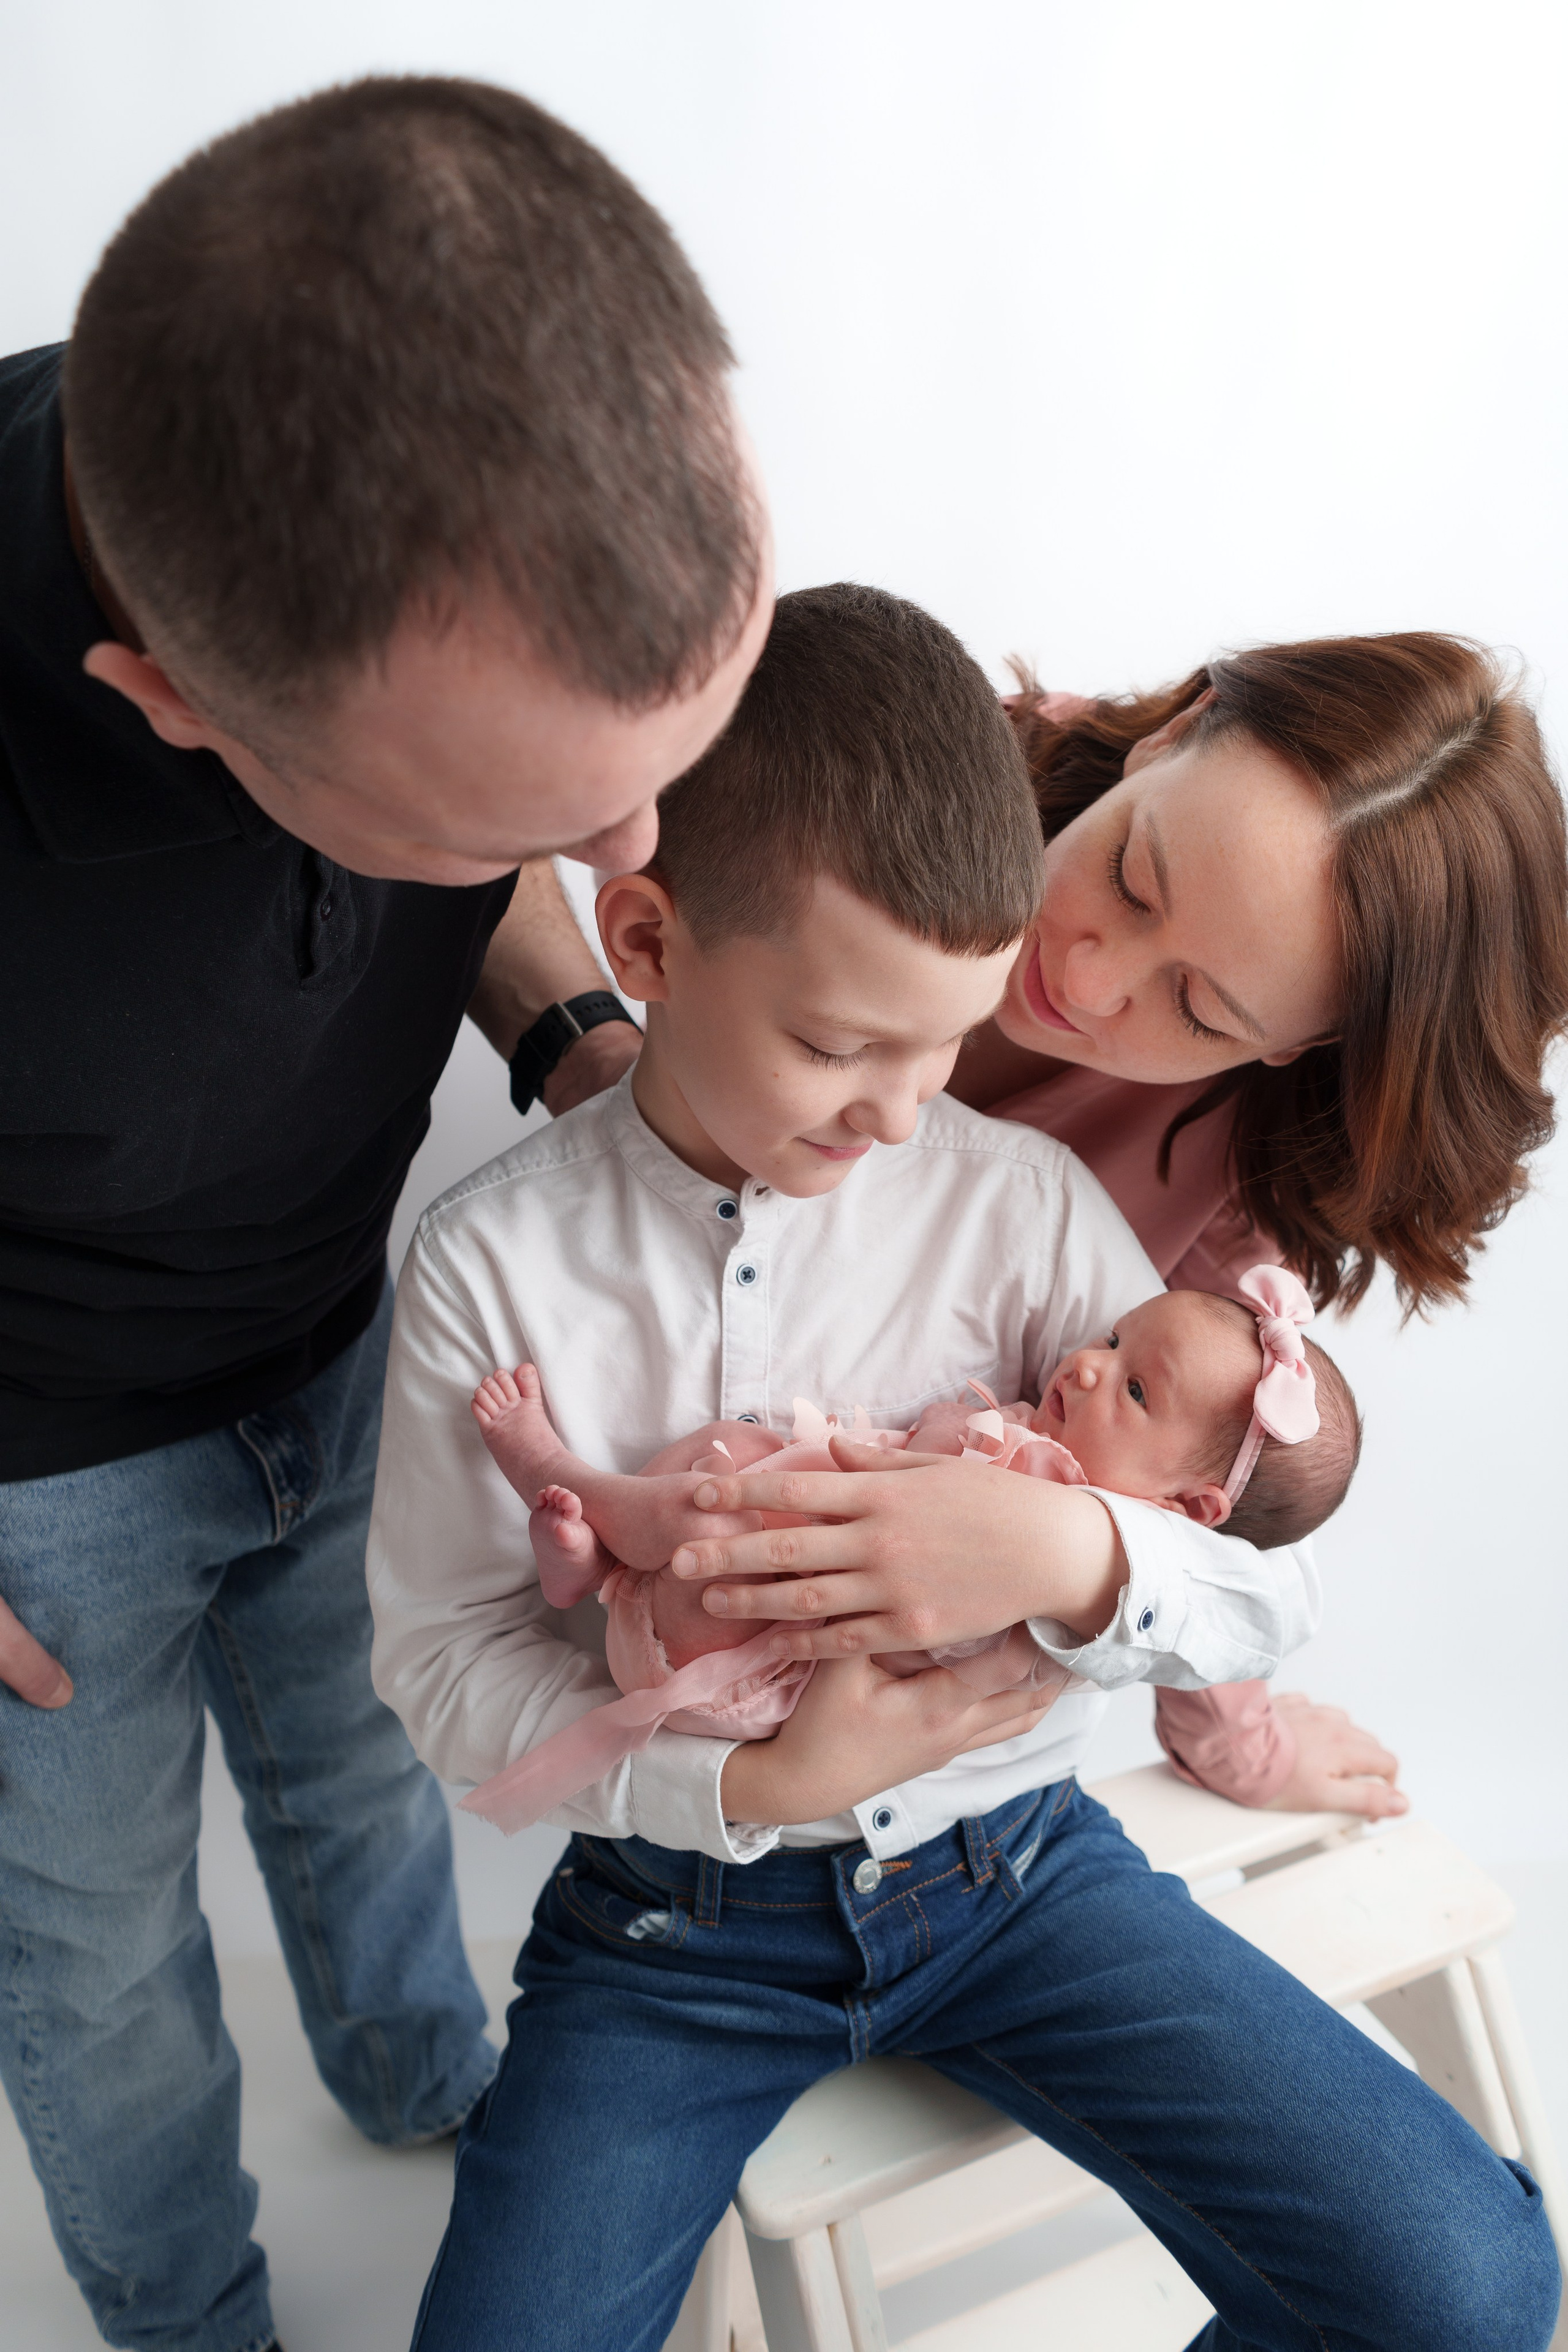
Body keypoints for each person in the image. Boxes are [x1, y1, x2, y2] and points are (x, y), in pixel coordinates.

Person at [367, 585, 1559, 2349]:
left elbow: (1239, 1543)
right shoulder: (503, 1256)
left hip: (1013, 1874)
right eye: (1131, 879)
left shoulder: (1039, 1212)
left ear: (1281, 1044)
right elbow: (448, 1654)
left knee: (1469, 2283)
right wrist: (748, 1786)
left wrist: (1071, 1563)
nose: (907, 1108)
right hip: (672, 1933)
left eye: (1198, 997)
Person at [0, 77, 771, 2352]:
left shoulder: (493, 500)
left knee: (368, 1766)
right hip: (39, 1484)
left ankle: (427, 2077)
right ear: (170, 706)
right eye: (523, 822)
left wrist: (584, 1049)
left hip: (347, 1342)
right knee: (99, 1957)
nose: (639, 867)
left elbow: (539, 828)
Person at [453, 1267, 1359, 1830]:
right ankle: (597, 1567)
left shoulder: (1083, 1571)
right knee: (728, 1451)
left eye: (1135, 1391)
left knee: (708, 1518)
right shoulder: (1042, 1439)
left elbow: (1269, 1599)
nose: (1088, 1363)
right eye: (1114, 1337)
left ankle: (555, 1473)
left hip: (756, 1667)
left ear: (1186, 1509)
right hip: (741, 1616)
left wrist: (1061, 1546)